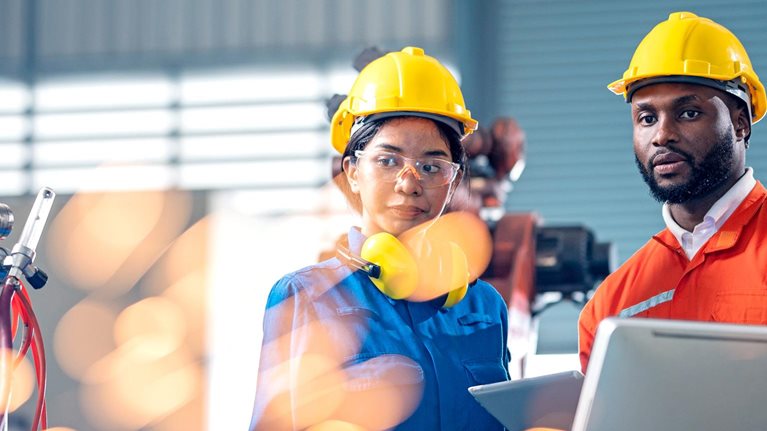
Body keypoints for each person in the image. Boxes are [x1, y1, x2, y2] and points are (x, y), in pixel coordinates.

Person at [251, 47, 510, 430]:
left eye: (431, 166)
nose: (410, 184)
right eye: (388, 161)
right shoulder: (307, 297)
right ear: (352, 172)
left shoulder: (484, 307)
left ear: (453, 180)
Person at [578, 11, 767, 372]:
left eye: (689, 113)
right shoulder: (611, 305)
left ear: (741, 123)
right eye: (647, 118)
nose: (662, 135)